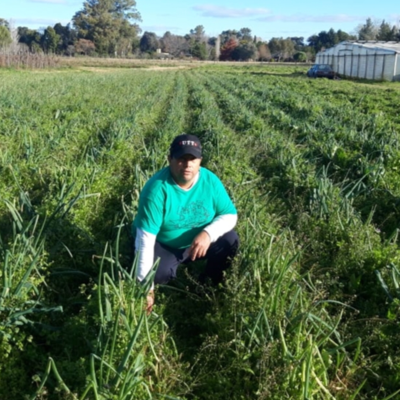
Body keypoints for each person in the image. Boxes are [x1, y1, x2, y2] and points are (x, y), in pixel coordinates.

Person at [132, 134, 239, 313]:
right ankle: (166, 273)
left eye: (193, 159)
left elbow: (230, 215)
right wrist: (145, 289)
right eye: (181, 158)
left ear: (200, 161)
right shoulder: (156, 190)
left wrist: (208, 234)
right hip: (166, 244)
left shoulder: (210, 181)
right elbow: (145, 240)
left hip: (199, 242)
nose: (188, 164)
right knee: (158, 274)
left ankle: (209, 283)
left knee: (230, 240)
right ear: (170, 159)